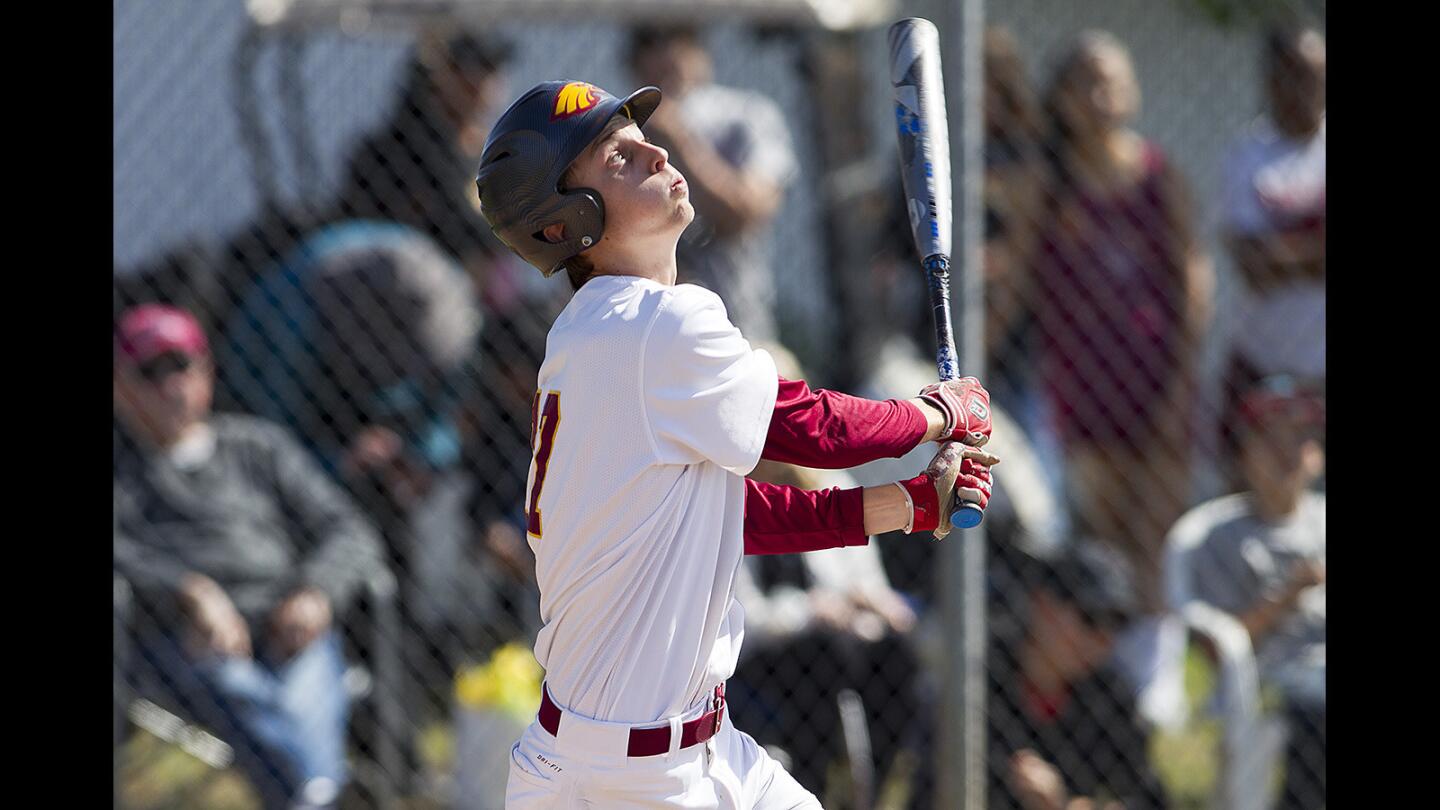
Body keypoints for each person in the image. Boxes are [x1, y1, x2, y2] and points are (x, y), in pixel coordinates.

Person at [473, 79, 999, 808]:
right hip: (634, 782)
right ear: (564, 224)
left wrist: (905, 505)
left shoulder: (594, 334)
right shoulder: (652, 324)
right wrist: (938, 413)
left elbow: (727, 518)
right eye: (617, 157)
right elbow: (812, 428)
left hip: (671, 753)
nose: (655, 150)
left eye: (639, 139)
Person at [113, 304, 387, 810]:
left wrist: (314, 593)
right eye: (150, 372)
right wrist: (187, 592)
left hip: (290, 628)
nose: (171, 384)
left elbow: (347, 530)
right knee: (242, 687)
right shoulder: (122, 472)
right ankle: (324, 793)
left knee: (300, 688)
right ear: (120, 387)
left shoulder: (259, 447)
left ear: (208, 372)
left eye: (182, 365)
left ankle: (313, 794)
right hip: (188, 644)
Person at [1033, 31, 1213, 612]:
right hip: (1084, 385)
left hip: (1156, 378)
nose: (1100, 93)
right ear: (1060, 98)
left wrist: (1183, 379)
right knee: (1105, 542)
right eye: (1084, 80)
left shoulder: (1160, 176)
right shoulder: (1051, 189)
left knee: (1157, 536)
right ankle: (1112, 673)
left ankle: (1159, 679)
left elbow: (1192, 275)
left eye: (1111, 78)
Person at [1170, 376, 1325, 809]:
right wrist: (1287, 597)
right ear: (1245, 453)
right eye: (1272, 440)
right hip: (1274, 681)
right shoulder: (1221, 535)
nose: (1288, 453)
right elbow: (1216, 648)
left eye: (1301, 439)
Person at [626, 24, 798, 344]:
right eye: (650, 42)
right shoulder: (619, 132)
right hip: (646, 338)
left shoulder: (745, 115)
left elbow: (746, 212)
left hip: (738, 325)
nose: (668, 55)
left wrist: (679, 138)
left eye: (681, 38)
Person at [1217, 23, 1325, 485]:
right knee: (1252, 495)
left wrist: (1282, 253)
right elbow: (1252, 267)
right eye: (1294, 75)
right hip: (1261, 364)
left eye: (1316, 75)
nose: (1306, 88)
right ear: (1271, 80)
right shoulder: (1247, 157)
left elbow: (1268, 258)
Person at [987, 541, 1170, 810]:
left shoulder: (1108, 697)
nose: (1102, 638)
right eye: (1091, 618)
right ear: (1043, 604)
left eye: (1116, 624)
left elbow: (1149, 797)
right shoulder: (984, 677)